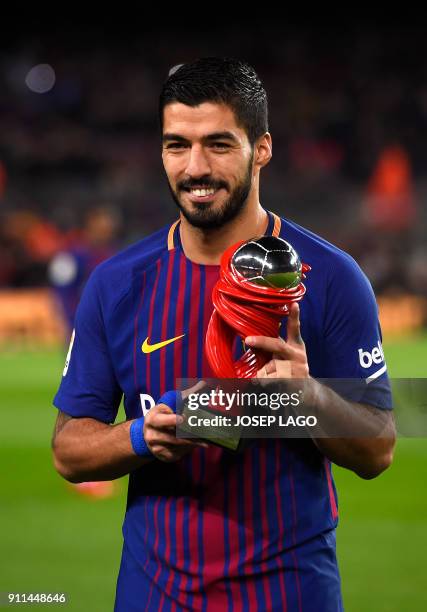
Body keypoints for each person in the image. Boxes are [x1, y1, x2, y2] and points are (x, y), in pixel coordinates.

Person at [51, 58, 396, 612]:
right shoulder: (115, 284)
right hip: (154, 596)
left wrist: (306, 399)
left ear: (261, 148)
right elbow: (68, 450)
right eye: (176, 145)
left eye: (217, 144)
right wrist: (143, 437)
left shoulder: (331, 277)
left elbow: (379, 448)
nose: (195, 167)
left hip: (291, 594)